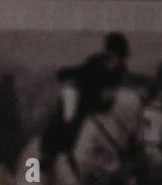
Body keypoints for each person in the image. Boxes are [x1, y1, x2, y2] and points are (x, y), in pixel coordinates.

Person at [41, 32, 130, 173]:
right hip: (83, 100)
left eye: (118, 58)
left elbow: (124, 86)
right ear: (107, 53)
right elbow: (80, 74)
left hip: (103, 108)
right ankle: (48, 154)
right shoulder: (95, 63)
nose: (114, 62)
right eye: (112, 57)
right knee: (68, 118)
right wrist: (66, 73)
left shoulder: (121, 71)